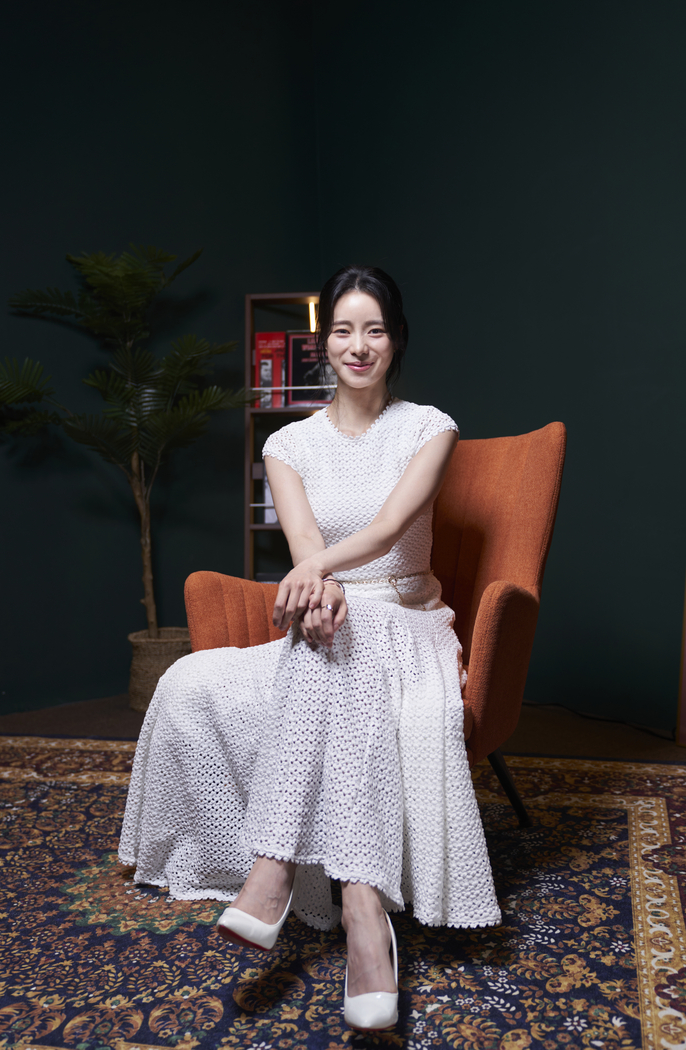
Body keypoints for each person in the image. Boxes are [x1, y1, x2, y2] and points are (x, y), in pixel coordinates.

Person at [119, 265, 501, 1032]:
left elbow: (387, 531)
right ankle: (362, 910)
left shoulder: (430, 427)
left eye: (375, 330)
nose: (359, 346)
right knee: (217, 673)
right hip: (327, 615)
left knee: (337, 638)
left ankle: (277, 873)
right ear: (323, 341)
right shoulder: (288, 443)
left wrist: (317, 576)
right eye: (344, 330)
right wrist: (318, 587)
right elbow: (303, 545)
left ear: (396, 340)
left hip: (407, 617)